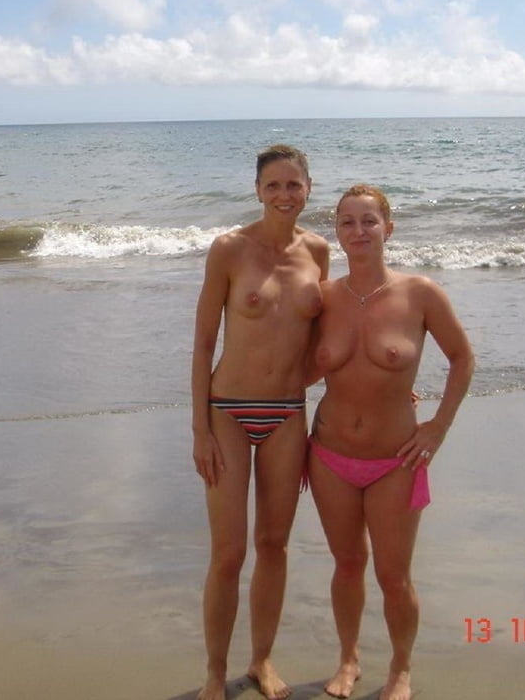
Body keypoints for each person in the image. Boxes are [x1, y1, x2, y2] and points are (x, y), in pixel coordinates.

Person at [306, 185, 473, 700]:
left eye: (369, 221)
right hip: (329, 455)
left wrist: (438, 426)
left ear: (388, 228)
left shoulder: (419, 293)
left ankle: (401, 669)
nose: (358, 231)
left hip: (395, 461)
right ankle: (348, 659)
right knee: (346, 566)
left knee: (394, 575)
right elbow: (297, 368)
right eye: (347, 222)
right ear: (336, 231)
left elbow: (462, 358)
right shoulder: (323, 298)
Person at [192, 144, 330, 700]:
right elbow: (203, 343)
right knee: (228, 554)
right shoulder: (229, 249)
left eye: (293, 185)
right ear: (257, 190)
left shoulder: (318, 251)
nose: (283, 195)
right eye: (273, 185)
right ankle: (214, 672)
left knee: (275, 545)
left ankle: (262, 661)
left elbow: (325, 340)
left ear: (308, 189)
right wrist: (199, 429)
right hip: (227, 411)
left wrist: (381, 382)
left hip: (288, 414)